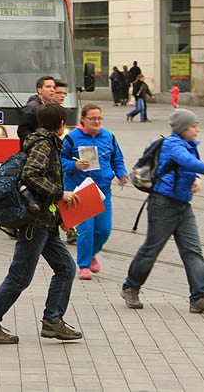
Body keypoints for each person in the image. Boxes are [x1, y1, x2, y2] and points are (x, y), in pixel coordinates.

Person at [0, 103, 82, 344]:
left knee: (66, 268)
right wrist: (59, 193)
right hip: (35, 222)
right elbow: (31, 175)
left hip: (46, 221)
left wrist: (61, 217)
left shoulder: (46, 143)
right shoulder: (44, 145)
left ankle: (53, 321)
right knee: (20, 276)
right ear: (62, 125)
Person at [121, 109, 204, 314]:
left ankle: (199, 298)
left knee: (192, 251)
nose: (197, 130)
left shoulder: (187, 146)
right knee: (152, 249)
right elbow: (186, 162)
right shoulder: (172, 144)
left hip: (182, 205)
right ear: (183, 129)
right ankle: (130, 287)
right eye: (193, 126)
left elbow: (184, 169)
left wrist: (194, 179)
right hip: (163, 204)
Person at [60, 104, 128, 280]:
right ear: (83, 119)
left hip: (103, 189)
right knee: (86, 229)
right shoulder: (72, 138)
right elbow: (59, 160)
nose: (97, 121)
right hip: (81, 190)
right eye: (92, 118)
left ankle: (91, 254)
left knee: (104, 229)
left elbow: (117, 159)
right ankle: (83, 266)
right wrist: (74, 165)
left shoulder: (109, 137)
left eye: (99, 118)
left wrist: (121, 173)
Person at [17, 76, 55, 142]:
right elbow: (23, 130)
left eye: (54, 87)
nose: (52, 90)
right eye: (48, 87)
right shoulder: (31, 107)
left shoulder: (51, 106)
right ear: (39, 90)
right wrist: (35, 141)